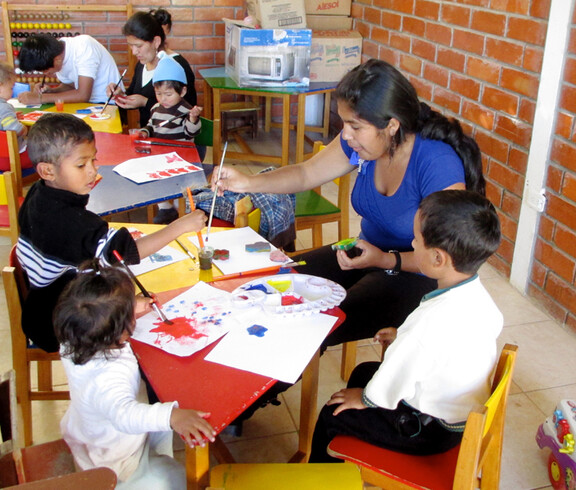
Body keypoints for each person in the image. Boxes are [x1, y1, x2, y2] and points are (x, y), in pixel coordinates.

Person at [214, 58, 486, 352]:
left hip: (416, 275)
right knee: (278, 286)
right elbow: (307, 173)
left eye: (355, 126)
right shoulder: (364, 145)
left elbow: (445, 258)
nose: (345, 134)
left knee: (311, 326)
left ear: (392, 125)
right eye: (345, 123)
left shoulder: (437, 163)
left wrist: (385, 259)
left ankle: (263, 382)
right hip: (365, 253)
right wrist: (246, 183)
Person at [308, 189, 503, 462]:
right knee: (364, 371)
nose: (411, 243)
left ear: (437, 258)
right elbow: (439, 348)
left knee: (333, 413)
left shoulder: (430, 322)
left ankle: (319, 476)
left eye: (416, 240)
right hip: (456, 409)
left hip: (427, 429)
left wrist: (365, 399)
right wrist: (402, 339)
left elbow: (404, 364)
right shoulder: (479, 299)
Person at [16, 113, 207, 353]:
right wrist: (181, 226)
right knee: (143, 341)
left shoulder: (38, 193)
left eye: (93, 161)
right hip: (62, 324)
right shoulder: (72, 222)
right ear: (47, 171)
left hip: (43, 306)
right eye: (81, 165)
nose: (92, 171)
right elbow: (125, 252)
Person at [54, 261, 216, 488]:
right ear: (120, 330)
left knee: (157, 414)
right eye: (130, 310)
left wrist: (123, 310)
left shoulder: (74, 337)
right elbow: (124, 415)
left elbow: (98, 311)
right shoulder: (109, 374)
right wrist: (172, 417)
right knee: (180, 479)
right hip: (115, 459)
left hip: (89, 429)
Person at [132, 54, 203, 224]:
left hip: (181, 157)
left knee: (183, 186)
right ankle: (165, 208)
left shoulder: (185, 110)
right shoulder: (156, 108)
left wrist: (193, 119)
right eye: (158, 93)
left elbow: (191, 133)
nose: (163, 98)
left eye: (168, 94)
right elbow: (151, 125)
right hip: (160, 154)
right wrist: (144, 132)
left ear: (183, 91)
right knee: (151, 175)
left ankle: (185, 209)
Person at [110, 11, 197, 128]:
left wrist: (145, 102)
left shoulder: (176, 66)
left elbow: (186, 110)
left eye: (139, 46)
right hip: (148, 134)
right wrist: (120, 95)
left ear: (156, 42)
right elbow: (134, 93)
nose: (134, 51)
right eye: (131, 45)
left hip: (174, 137)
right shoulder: (141, 64)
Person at [16, 33, 123, 104]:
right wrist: (52, 91)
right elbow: (71, 85)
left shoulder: (84, 46)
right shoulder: (57, 53)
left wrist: (39, 99)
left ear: (57, 59)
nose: (46, 74)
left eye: (46, 71)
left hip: (107, 104)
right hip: (85, 105)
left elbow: (83, 95)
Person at [0, 62, 32, 171]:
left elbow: (3, 123)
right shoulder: (4, 107)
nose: (12, 91)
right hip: (10, 159)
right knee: (43, 153)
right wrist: (24, 129)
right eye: (11, 88)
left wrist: (11, 118)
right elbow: (13, 128)